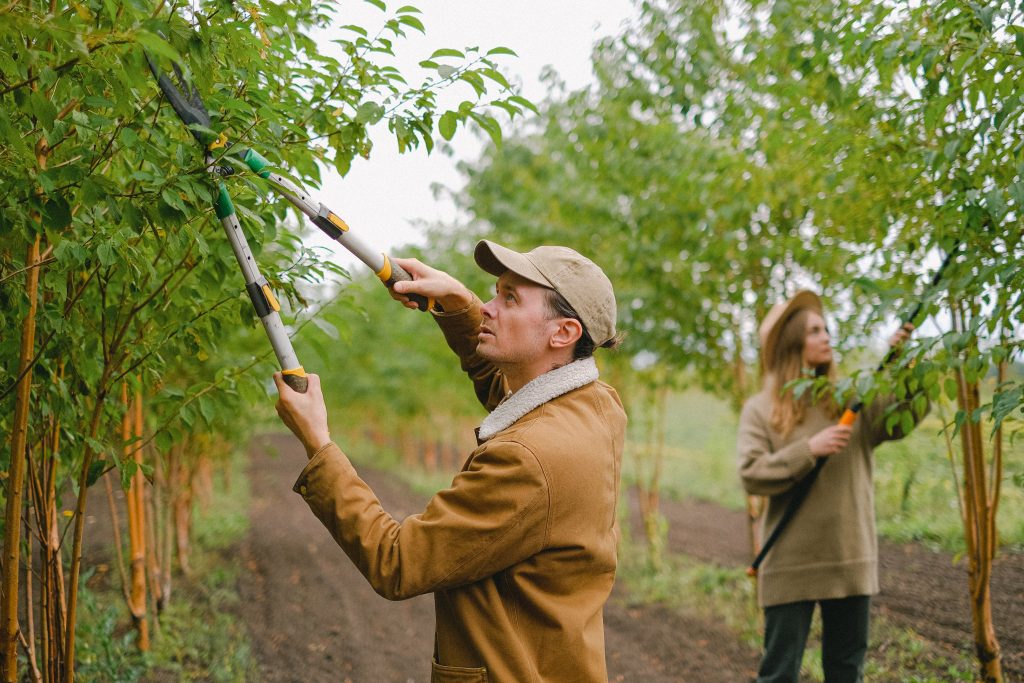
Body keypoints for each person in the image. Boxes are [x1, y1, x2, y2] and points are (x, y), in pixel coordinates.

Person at [273, 240, 626, 682]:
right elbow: (513, 395)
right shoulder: (595, 406)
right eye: (495, 291)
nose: (489, 307)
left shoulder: (527, 461)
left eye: (509, 298)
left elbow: (397, 562)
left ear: (563, 334)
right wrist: (460, 305)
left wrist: (318, 442)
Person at [737, 290, 924, 683]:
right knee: (779, 674)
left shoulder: (849, 400)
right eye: (815, 331)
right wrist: (809, 449)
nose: (826, 337)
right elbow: (751, 473)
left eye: (827, 330)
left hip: (849, 556)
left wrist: (905, 366)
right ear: (792, 343)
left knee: (845, 671)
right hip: (789, 561)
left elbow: (900, 421)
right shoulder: (761, 409)